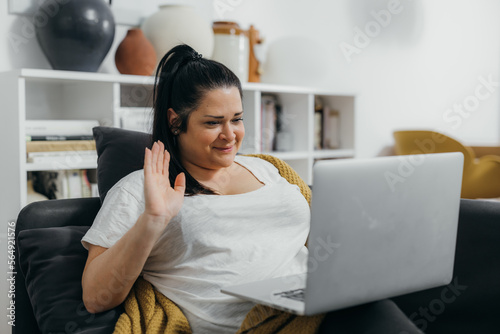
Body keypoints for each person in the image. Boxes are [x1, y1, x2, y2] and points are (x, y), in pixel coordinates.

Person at [81, 44, 311, 333]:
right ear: (175, 121)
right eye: (213, 123)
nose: (230, 135)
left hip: (316, 302)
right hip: (258, 325)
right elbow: (95, 298)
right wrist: (153, 220)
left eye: (237, 119)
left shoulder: (269, 168)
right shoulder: (138, 190)